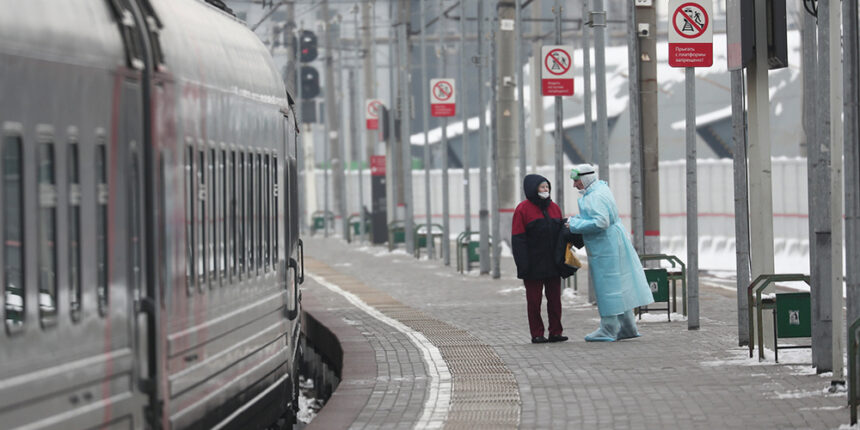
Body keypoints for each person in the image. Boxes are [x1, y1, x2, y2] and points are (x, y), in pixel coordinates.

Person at [566, 164, 654, 342]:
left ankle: (608, 328)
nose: (574, 185)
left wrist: (574, 225)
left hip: (604, 247)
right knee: (619, 285)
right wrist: (579, 219)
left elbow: (600, 221)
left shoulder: (594, 196)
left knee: (607, 288)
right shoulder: (601, 190)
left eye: (576, 181)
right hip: (613, 242)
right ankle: (628, 326)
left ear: (585, 178)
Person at [512, 174, 569, 344]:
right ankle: (537, 333)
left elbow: (560, 234)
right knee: (534, 301)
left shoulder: (554, 208)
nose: (546, 190)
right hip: (533, 265)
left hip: (553, 263)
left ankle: (556, 332)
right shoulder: (522, 209)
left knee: (555, 300)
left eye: (547, 187)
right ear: (532, 189)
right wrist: (523, 265)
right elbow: (518, 239)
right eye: (542, 187)